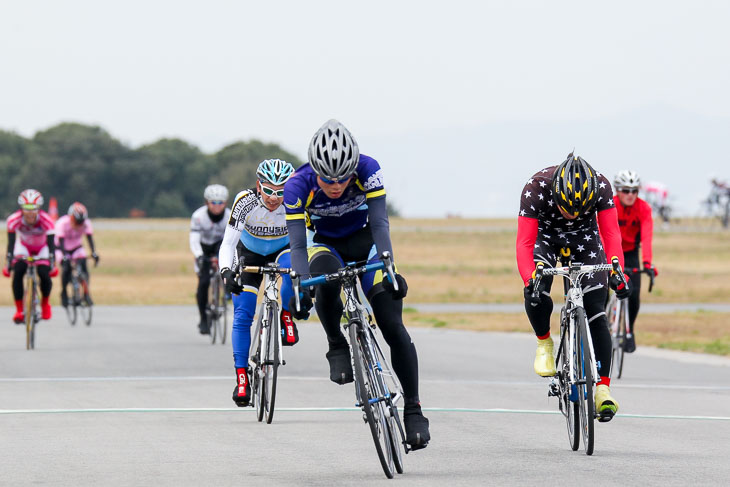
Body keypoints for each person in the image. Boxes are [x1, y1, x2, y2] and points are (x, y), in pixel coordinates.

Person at [283, 119, 430, 450]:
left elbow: (379, 221)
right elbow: (297, 246)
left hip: (365, 241)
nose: (336, 186)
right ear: (313, 170)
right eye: (327, 180)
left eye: (343, 178)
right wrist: (301, 284)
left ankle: (414, 409)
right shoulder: (296, 185)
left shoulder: (368, 168)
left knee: (393, 325)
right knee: (325, 282)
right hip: (325, 245)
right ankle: (337, 342)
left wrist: (389, 267)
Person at [515, 153, 630, 422]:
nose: (573, 214)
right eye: (567, 207)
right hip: (545, 236)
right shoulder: (536, 187)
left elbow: (612, 234)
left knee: (596, 311)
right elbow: (524, 243)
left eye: (579, 209)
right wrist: (530, 281)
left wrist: (617, 272)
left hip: (585, 240)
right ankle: (544, 343)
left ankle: (602, 388)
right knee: (537, 290)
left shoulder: (601, 187)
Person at [218, 159, 298, 407]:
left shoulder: (297, 201)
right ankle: (242, 377)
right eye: (269, 190)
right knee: (243, 314)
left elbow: (306, 239)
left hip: (283, 250)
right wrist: (226, 271)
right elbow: (229, 243)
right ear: (258, 186)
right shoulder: (245, 201)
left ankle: (285, 315)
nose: (274, 198)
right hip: (249, 254)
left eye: (281, 192)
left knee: (293, 272)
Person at [613, 170, 656, 353]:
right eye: (625, 190)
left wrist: (647, 263)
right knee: (602, 292)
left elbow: (647, 236)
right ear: (617, 190)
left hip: (630, 252)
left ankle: (629, 330)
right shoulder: (611, 206)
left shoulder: (644, 208)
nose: (630, 195)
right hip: (611, 252)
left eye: (634, 191)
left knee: (634, 296)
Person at [3, 189, 58, 322]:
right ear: (22, 208)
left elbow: (51, 246)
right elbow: (10, 244)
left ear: (39, 208)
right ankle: (19, 310)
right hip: (24, 247)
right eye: (27, 208)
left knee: (44, 274)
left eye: (34, 208)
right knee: (19, 271)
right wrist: (8, 262)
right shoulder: (13, 220)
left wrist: (52, 263)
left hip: (42, 248)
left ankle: (45, 304)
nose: (30, 212)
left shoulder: (47, 220)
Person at [190, 184, 230, 335]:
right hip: (203, 247)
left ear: (225, 203)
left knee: (227, 269)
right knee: (204, 282)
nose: (217, 206)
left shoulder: (229, 215)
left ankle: (226, 294)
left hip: (220, 245)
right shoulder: (198, 216)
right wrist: (199, 255)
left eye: (220, 202)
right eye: (213, 202)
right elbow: (194, 239)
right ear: (207, 202)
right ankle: (203, 319)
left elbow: (232, 238)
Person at [55, 202, 99, 307]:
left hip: (76, 247)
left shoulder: (86, 223)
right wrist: (65, 256)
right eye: (76, 221)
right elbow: (60, 241)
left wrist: (93, 253)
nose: (79, 224)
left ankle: (86, 293)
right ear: (71, 217)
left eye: (81, 222)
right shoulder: (62, 223)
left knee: (84, 266)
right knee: (66, 269)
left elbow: (89, 238)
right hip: (61, 248)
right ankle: (64, 293)